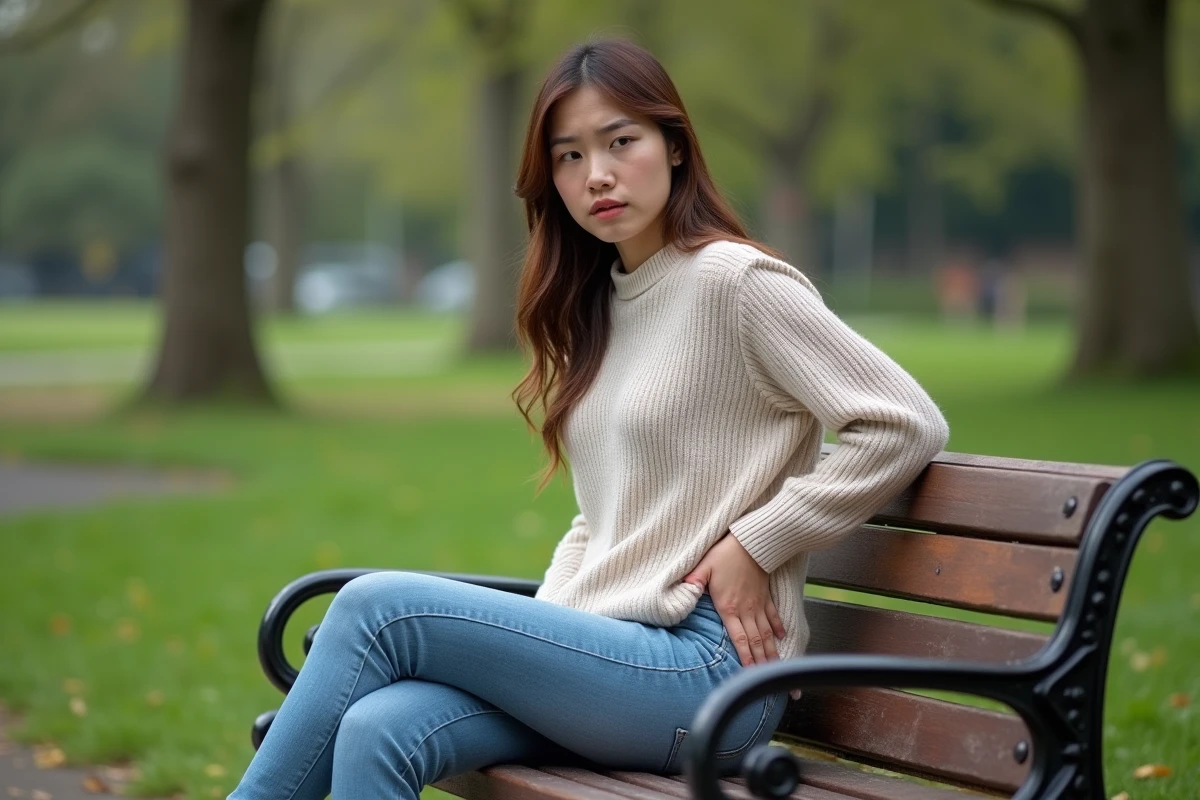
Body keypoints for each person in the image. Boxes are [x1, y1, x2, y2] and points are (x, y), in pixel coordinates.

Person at [228, 37, 949, 800]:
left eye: (620, 142)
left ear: (674, 146)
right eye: (569, 157)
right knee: (380, 729)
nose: (595, 175)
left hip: (708, 678)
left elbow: (904, 422)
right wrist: (539, 642)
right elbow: (601, 520)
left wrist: (757, 541)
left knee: (373, 608)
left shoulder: (736, 284)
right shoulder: (604, 305)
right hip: (614, 659)